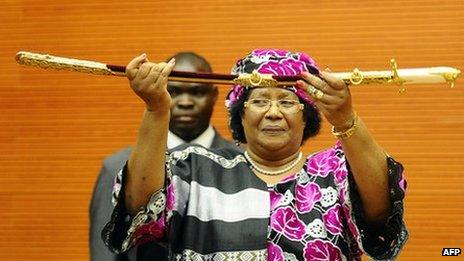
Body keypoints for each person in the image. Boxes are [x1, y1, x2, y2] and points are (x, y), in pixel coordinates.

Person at [102, 49, 408, 260]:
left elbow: (381, 208)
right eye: (260, 101)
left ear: (307, 117)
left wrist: (345, 118)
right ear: (240, 115)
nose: (273, 113)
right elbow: (140, 207)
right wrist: (156, 110)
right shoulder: (195, 169)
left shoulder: (334, 170)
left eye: (288, 102)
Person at [89, 52, 240, 261]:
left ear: (214, 95)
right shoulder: (118, 166)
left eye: (197, 92)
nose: (185, 102)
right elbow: (105, 252)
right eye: (174, 91)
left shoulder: (241, 162)